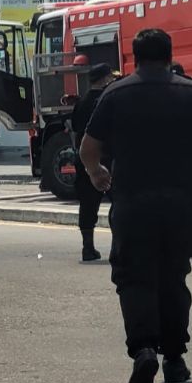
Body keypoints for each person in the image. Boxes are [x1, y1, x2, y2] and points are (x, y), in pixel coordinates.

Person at [80, 28, 192, 383]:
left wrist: (96, 172)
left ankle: (144, 349)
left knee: (134, 278)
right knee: (173, 276)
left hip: (133, 205)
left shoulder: (115, 94)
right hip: (181, 206)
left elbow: (88, 147)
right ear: (170, 56)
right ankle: (174, 358)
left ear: (134, 59)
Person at [70, 63, 115, 262]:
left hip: (85, 159)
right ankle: (118, 246)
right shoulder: (110, 99)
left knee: (88, 205)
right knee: (120, 202)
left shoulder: (82, 102)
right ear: (105, 79)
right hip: (110, 158)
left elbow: (75, 132)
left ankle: (87, 247)